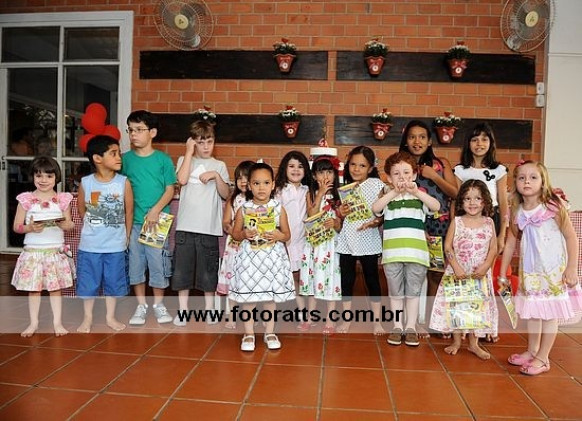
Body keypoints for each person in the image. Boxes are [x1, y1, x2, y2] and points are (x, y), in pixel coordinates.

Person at [498, 161, 582, 375]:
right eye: (522, 178)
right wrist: (502, 272)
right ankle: (532, 350)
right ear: (515, 182)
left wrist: (572, 267)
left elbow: (571, 237)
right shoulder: (516, 210)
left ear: (543, 182)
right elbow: (510, 243)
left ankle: (543, 358)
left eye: (533, 177)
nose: (527, 181)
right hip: (531, 272)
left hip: (552, 272)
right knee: (533, 312)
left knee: (550, 313)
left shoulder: (553, 207)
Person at [373, 151, 440, 346]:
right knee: (395, 292)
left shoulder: (420, 197)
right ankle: (397, 326)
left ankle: (410, 327)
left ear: (414, 175)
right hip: (392, 255)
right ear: (389, 178)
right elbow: (375, 209)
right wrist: (393, 192)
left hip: (416, 255)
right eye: (396, 174)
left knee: (413, 292)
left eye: (406, 173)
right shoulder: (388, 197)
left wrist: (416, 192)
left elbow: (435, 206)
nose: (402, 177)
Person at [399, 120, 458, 336]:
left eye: (422, 137)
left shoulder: (441, 164)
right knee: (407, 274)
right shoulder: (400, 165)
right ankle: (405, 322)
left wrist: (433, 176)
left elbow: (455, 193)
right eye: (412, 137)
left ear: (430, 141)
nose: (417, 141)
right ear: (406, 141)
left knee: (435, 274)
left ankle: (433, 321)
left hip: (439, 226)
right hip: (411, 226)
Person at [229, 163, 295, 351]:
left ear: (273, 185)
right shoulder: (244, 208)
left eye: (266, 183)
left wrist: (278, 235)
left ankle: (269, 332)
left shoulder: (278, 208)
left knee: (269, 298)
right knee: (249, 298)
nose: (261, 187)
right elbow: (235, 234)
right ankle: (249, 333)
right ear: (249, 185)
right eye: (256, 183)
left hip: (271, 258)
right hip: (250, 259)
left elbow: (287, 235)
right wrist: (244, 234)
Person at [430, 180, 499, 359]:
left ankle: (474, 344)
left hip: (479, 274)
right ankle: (456, 341)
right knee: (457, 307)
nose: (472, 202)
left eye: (477, 198)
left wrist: (486, 265)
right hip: (458, 272)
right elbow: (448, 246)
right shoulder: (457, 221)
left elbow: (493, 247)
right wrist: (456, 267)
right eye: (468, 198)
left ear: (485, 201)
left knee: (476, 308)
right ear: (461, 201)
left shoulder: (489, 222)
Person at [171, 121, 231, 326]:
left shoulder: (219, 165)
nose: (205, 146)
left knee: (208, 272)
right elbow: (182, 180)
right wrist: (188, 152)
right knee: (182, 272)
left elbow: (226, 194)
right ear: (192, 142)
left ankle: (210, 309)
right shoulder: (184, 160)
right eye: (200, 142)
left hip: (209, 228)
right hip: (185, 227)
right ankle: (183, 310)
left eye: (209, 141)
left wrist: (216, 176)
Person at [122, 110, 177, 325]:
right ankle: (141, 305)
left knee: (157, 263)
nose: (133, 134)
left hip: (157, 222)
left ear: (152, 132)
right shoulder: (125, 160)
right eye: (130, 130)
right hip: (133, 222)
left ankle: (158, 305)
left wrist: (155, 210)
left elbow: (170, 189)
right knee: (136, 264)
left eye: (139, 130)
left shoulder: (163, 160)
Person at [11, 156, 75, 337]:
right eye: (39, 176)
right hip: (33, 252)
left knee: (55, 289)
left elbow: (70, 224)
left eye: (49, 176)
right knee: (34, 289)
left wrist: (64, 224)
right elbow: (16, 226)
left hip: (55, 252)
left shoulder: (62, 200)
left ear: (56, 177)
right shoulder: (26, 200)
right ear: (32, 177)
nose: (43, 180)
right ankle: (33, 323)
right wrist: (30, 228)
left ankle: (57, 323)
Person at [75, 135, 133, 333]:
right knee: (88, 283)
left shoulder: (123, 182)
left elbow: (129, 212)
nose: (119, 158)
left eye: (119, 153)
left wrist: (125, 236)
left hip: (115, 246)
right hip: (90, 246)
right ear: (97, 158)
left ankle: (110, 317)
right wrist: (94, 227)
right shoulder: (86, 183)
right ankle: (87, 317)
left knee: (113, 282)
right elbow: (82, 209)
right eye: (113, 154)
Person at [336, 146, 386, 334]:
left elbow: (383, 213)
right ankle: (346, 319)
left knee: (372, 279)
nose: (356, 169)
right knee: (346, 280)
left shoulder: (377, 185)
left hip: (368, 239)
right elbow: (340, 215)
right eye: (353, 164)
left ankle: (377, 321)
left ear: (371, 168)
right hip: (347, 238)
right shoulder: (344, 186)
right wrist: (340, 212)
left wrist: (376, 222)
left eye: (362, 165)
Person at [299, 157, 343, 335]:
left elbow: (341, 225)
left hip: (330, 245)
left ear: (335, 175)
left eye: (329, 172)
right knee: (312, 278)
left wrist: (335, 223)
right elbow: (311, 215)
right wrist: (320, 194)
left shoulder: (339, 196)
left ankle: (330, 319)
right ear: (314, 176)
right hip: (314, 245)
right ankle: (310, 317)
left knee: (331, 279)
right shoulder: (310, 193)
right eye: (321, 172)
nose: (326, 176)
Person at [454, 123, 508, 254]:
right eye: (475, 140)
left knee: (489, 257)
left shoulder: (499, 170)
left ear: (491, 142)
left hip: (491, 216)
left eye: (484, 139)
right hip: (466, 218)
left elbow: (503, 202)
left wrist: (502, 234)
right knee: (467, 255)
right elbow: (456, 201)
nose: (479, 144)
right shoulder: (460, 170)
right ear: (468, 143)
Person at [274, 151, 313, 330]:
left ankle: (304, 313)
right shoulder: (279, 190)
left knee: (301, 279)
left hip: (302, 242)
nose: (296, 170)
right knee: (283, 278)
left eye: (300, 166)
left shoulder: (307, 190)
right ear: (284, 168)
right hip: (284, 242)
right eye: (291, 166)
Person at [217, 160, 254, 329]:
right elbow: (226, 222)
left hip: (253, 248)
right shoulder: (234, 199)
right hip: (235, 246)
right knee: (233, 281)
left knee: (252, 282)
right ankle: (231, 316)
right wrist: (235, 232)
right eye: (239, 178)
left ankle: (252, 316)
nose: (243, 181)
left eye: (247, 177)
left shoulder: (260, 200)